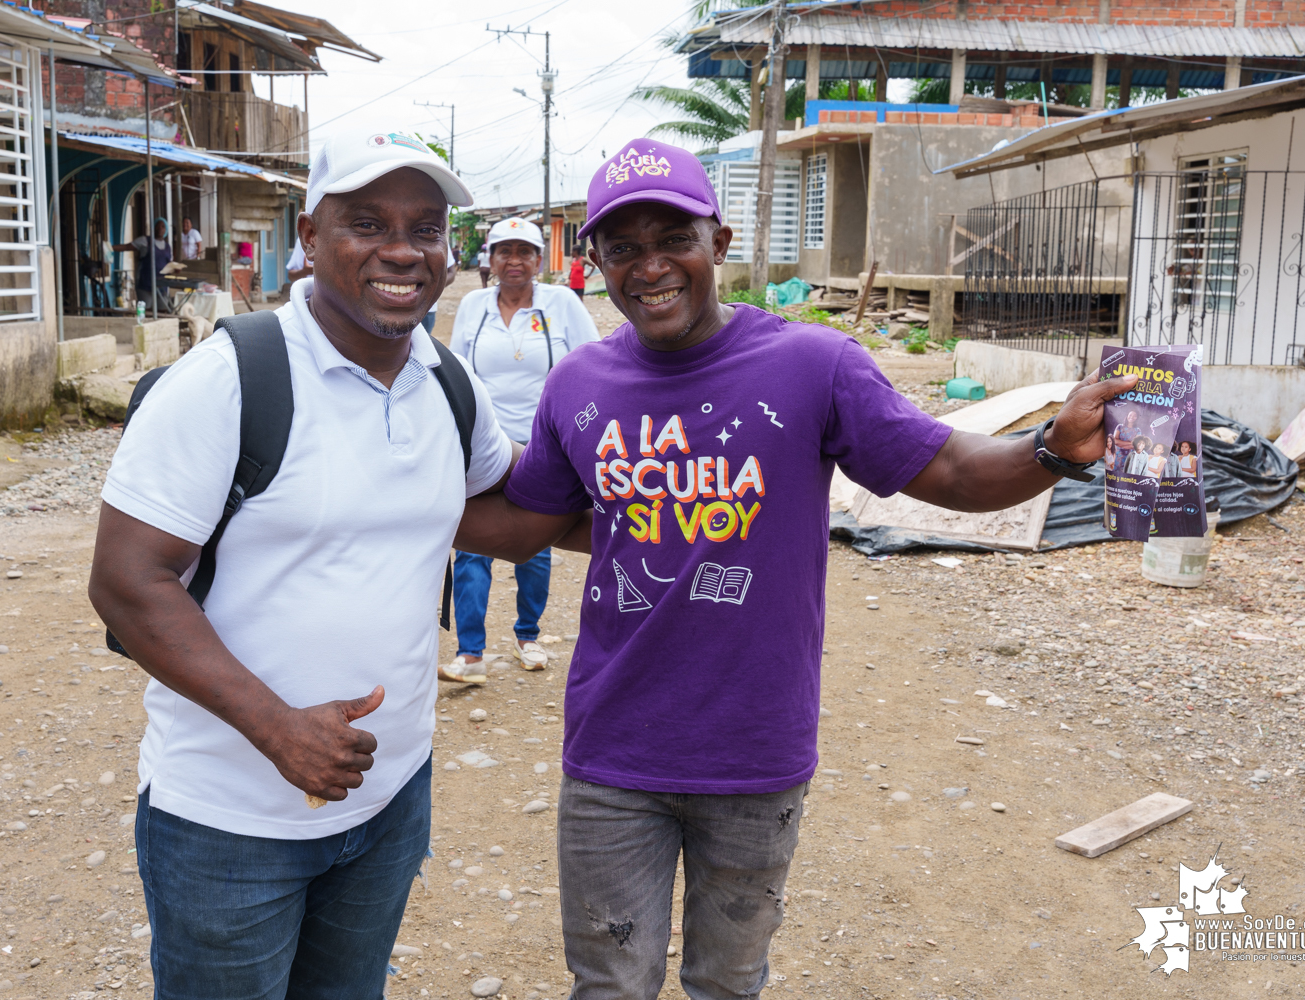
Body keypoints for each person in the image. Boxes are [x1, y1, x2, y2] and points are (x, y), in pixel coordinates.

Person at [452, 137, 1136, 1000]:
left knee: (728, 984)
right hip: (613, 751)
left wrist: (1053, 449)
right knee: (608, 987)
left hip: (754, 754)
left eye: (675, 239)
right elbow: (527, 524)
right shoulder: (577, 387)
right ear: (593, 262)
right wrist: (387, 501)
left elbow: (953, 470)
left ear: (720, 243)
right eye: (623, 247)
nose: (651, 266)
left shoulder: (813, 365)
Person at [87, 123, 584, 999]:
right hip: (228, 821)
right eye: (367, 223)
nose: (403, 251)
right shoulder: (230, 378)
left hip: (388, 803)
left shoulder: (444, 382)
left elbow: (504, 519)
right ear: (311, 239)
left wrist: (687, 518)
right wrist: (278, 728)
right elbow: (128, 581)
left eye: (427, 228)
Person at [442, 218, 599, 684]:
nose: (514, 261)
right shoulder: (474, 305)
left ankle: (528, 634)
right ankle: (470, 654)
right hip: (484, 443)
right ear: (489, 259)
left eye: (525, 251)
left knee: (538, 541)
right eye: (503, 251)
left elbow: (591, 360)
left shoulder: (561, 303)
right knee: (472, 545)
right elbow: (456, 369)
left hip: (542, 444)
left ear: (538, 260)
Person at [112, 217, 173, 313]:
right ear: (153, 227)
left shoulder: (168, 247)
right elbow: (127, 247)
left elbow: (170, 265)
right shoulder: (144, 241)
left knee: (162, 312)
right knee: (144, 312)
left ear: (166, 230)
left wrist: (175, 270)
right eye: (158, 225)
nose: (160, 228)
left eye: (163, 226)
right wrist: (109, 247)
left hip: (162, 286)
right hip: (145, 283)